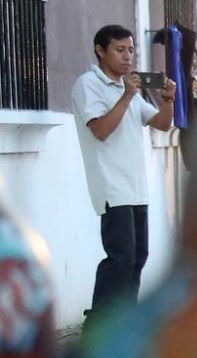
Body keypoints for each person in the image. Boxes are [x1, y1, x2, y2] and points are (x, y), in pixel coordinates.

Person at [71, 24, 176, 324]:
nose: (128, 56)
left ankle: (124, 326)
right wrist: (127, 96)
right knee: (119, 260)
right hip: (112, 188)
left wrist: (168, 100)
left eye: (131, 49)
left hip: (136, 188)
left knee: (137, 258)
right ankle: (99, 326)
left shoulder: (126, 88)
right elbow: (101, 130)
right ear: (100, 51)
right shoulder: (88, 85)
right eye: (119, 49)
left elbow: (161, 124)